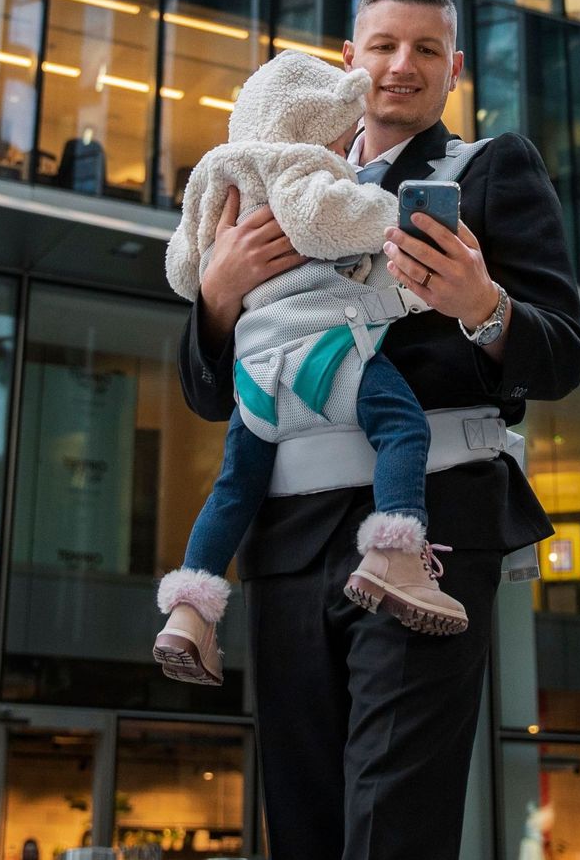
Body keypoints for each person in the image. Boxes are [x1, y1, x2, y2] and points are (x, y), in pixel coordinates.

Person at [177, 0, 580, 860]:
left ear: (455, 71)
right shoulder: (266, 182)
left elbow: (563, 354)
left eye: (427, 50)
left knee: (392, 816)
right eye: (384, 46)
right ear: (348, 62)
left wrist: (483, 303)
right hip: (286, 537)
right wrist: (216, 294)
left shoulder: (489, 169)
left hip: (430, 515)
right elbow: (212, 391)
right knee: (304, 817)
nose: (403, 65)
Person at [155, 51, 470, 686]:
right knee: (404, 430)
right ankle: (396, 553)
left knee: (234, 487)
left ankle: (189, 611)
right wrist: (403, 222)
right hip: (324, 354)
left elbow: (182, 272)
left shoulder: (216, 175)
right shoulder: (301, 165)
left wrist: (220, 277)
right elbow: (328, 221)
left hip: (255, 378)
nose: (346, 140)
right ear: (311, 122)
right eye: (339, 127)